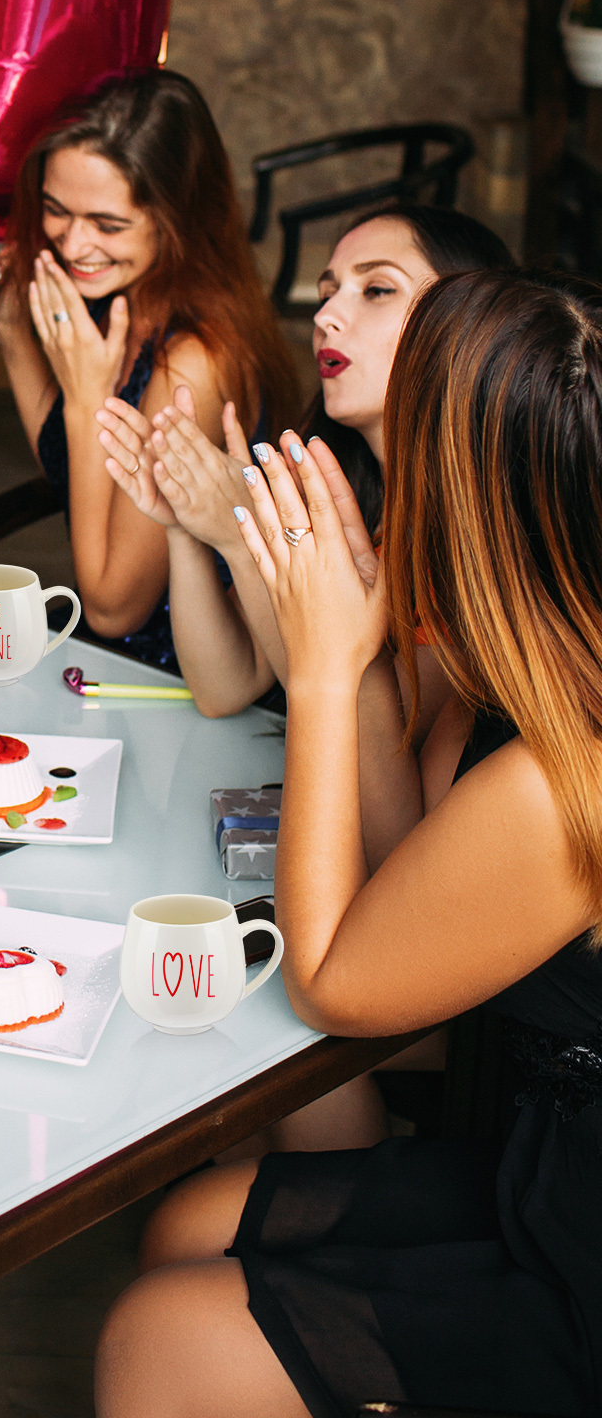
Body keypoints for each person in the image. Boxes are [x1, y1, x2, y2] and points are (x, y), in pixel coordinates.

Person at [97, 268, 602, 1418]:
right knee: (184, 1215)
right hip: (534, 1151)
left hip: (578, 1240)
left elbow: (333, 980)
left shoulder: (560, 776)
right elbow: (411, 859)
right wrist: (359, 640)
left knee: (154, 1339)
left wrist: (323, 674)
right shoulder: (519, 653)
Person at [96, 203, 512, 719]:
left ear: (473, 317)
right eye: (327, 293)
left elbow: (370, 753)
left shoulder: (474, 531)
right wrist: (184, 524)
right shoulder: (337, 487)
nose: (323, 317)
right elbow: (224, 686)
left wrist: (239, 539)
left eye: (377, 289)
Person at [0, 67, 300, 670]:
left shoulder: (194, 362)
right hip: (105, 662)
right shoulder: (117, 300)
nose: (74, 245)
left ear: (177, 219)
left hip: (176, 679)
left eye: (108, 225)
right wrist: (12, 333)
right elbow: (73, 472)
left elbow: (111, 607)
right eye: (56, 210)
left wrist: (86, 399)